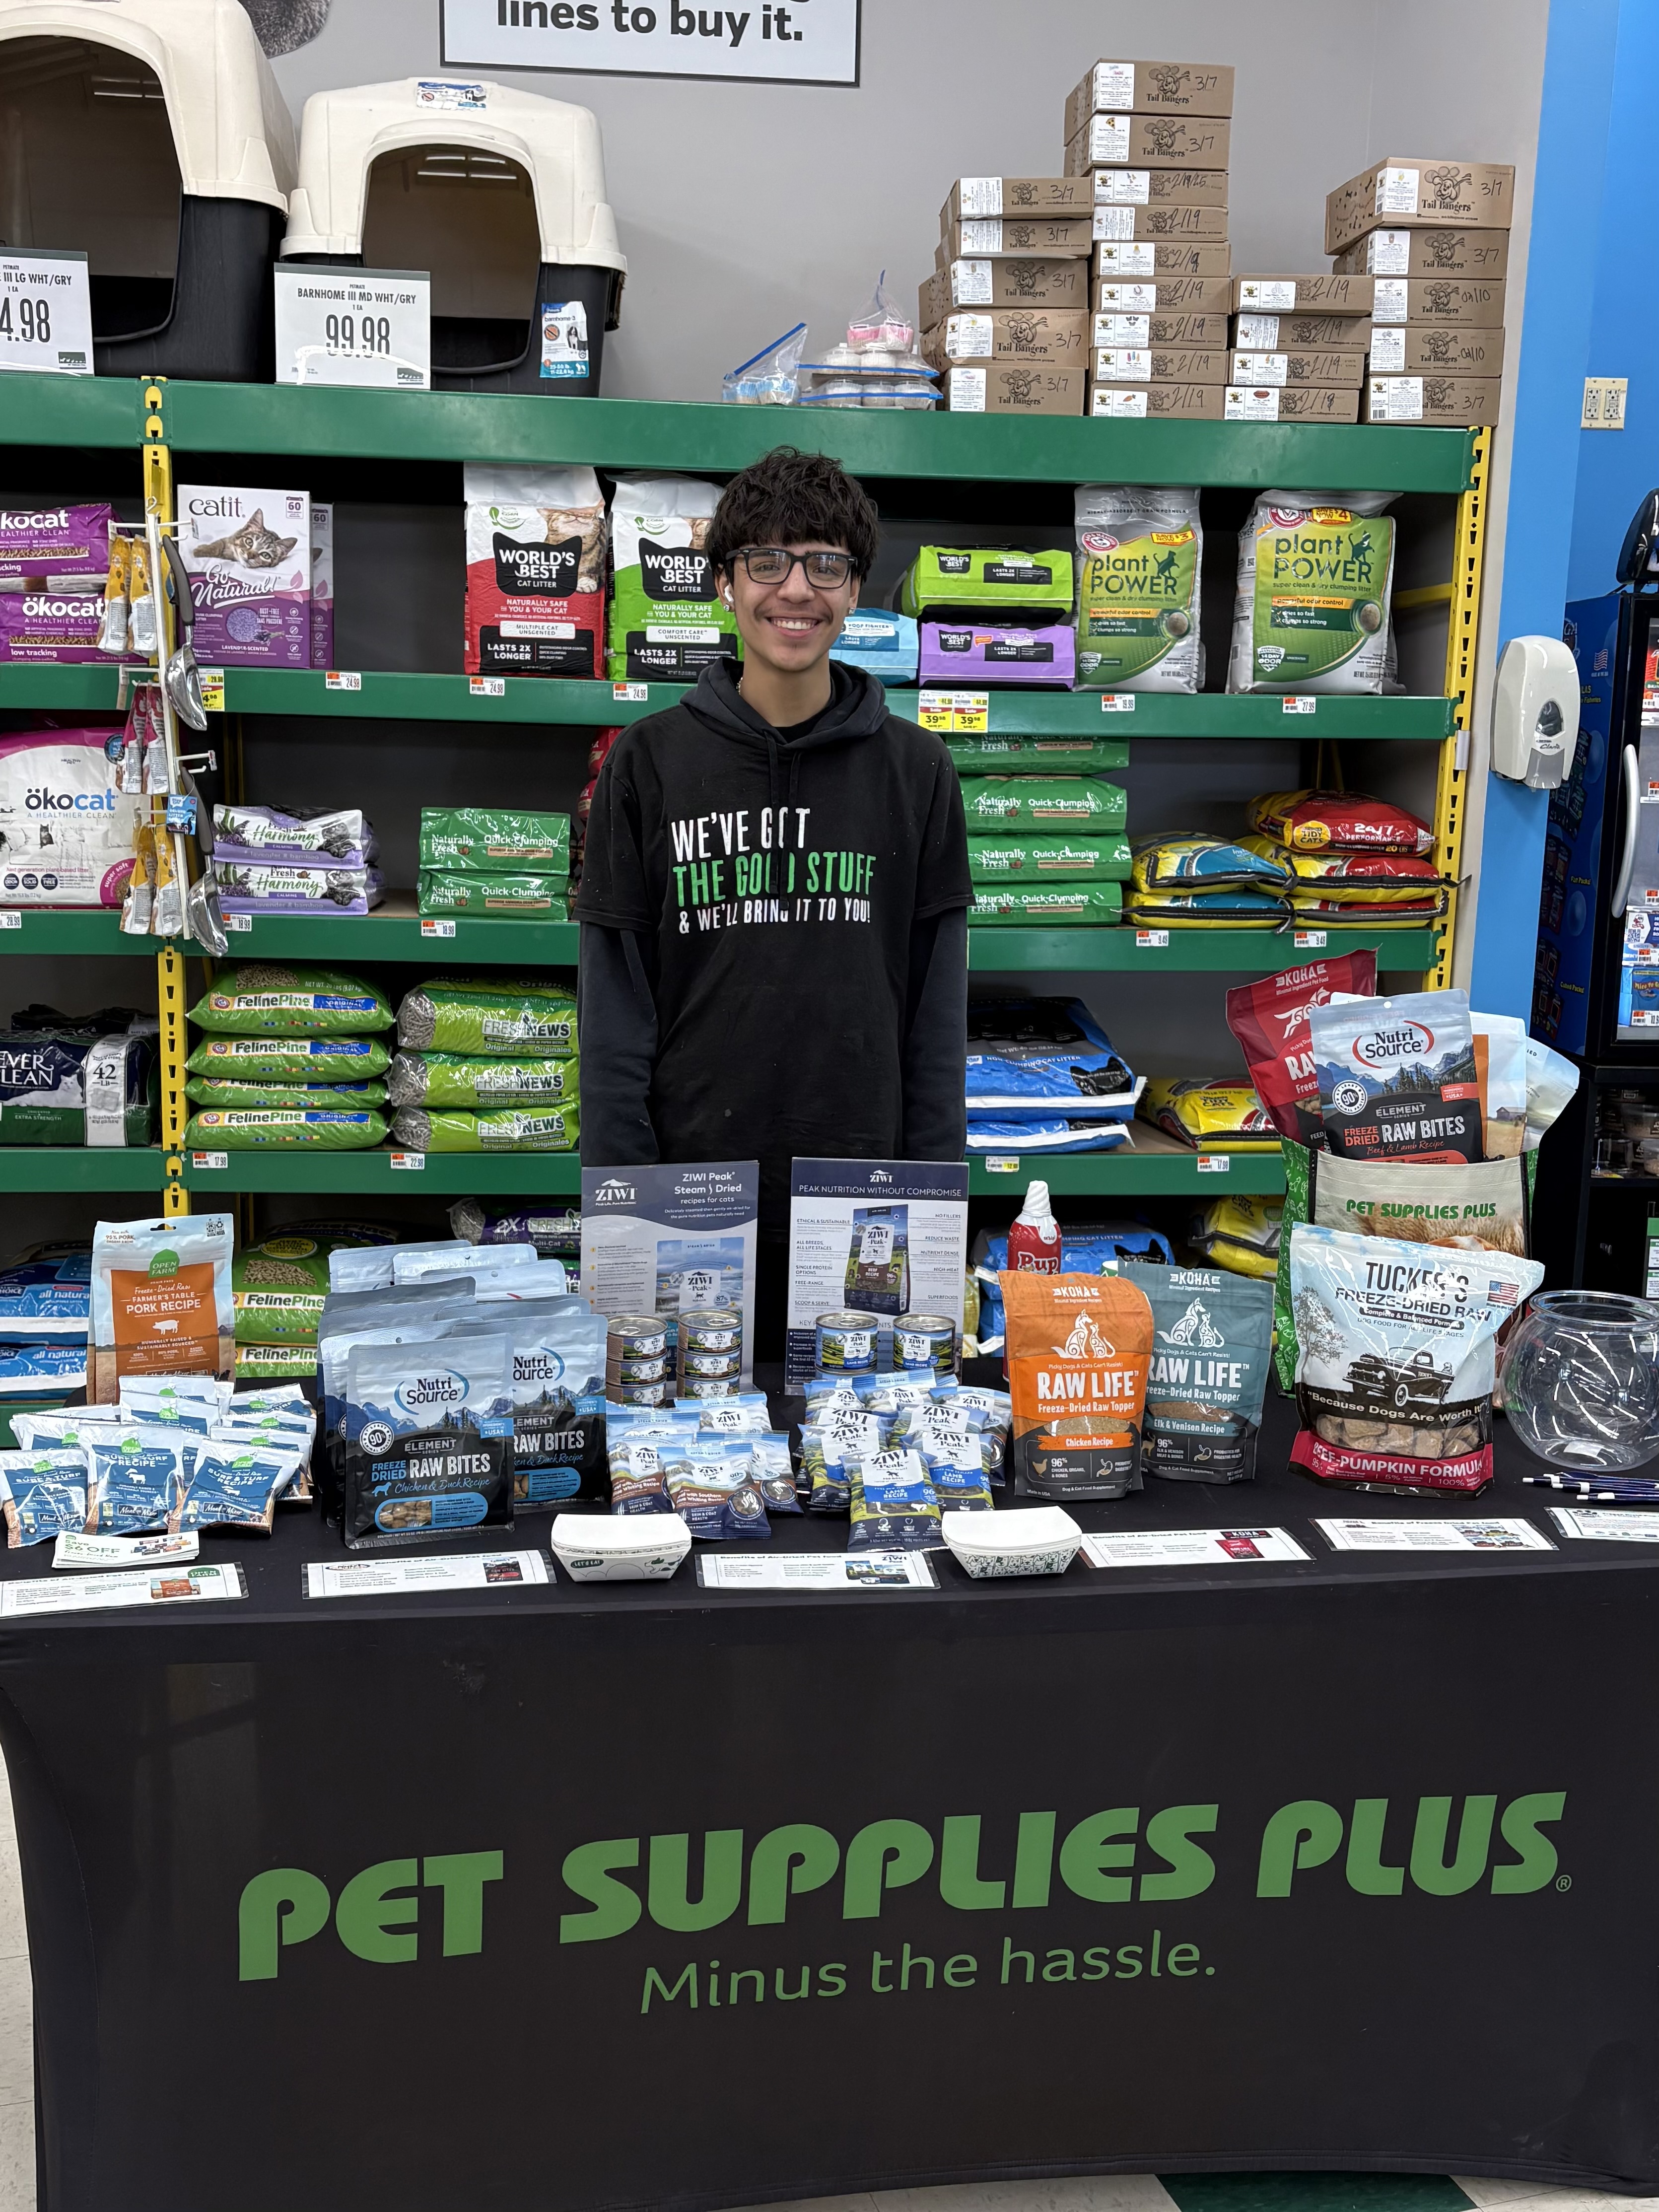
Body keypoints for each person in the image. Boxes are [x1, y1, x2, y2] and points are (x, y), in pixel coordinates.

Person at [574, 445, 971, 1353]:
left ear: (856, 588)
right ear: (724, 583)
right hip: (690, 1195)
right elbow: (615, 1006)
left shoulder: (917, 769)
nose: (796, 589)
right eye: (767, 562)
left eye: (826, 564)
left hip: (861, 1197)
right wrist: (624, 1202)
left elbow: (936, 1009)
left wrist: (931, 1202)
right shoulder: (648, 761)